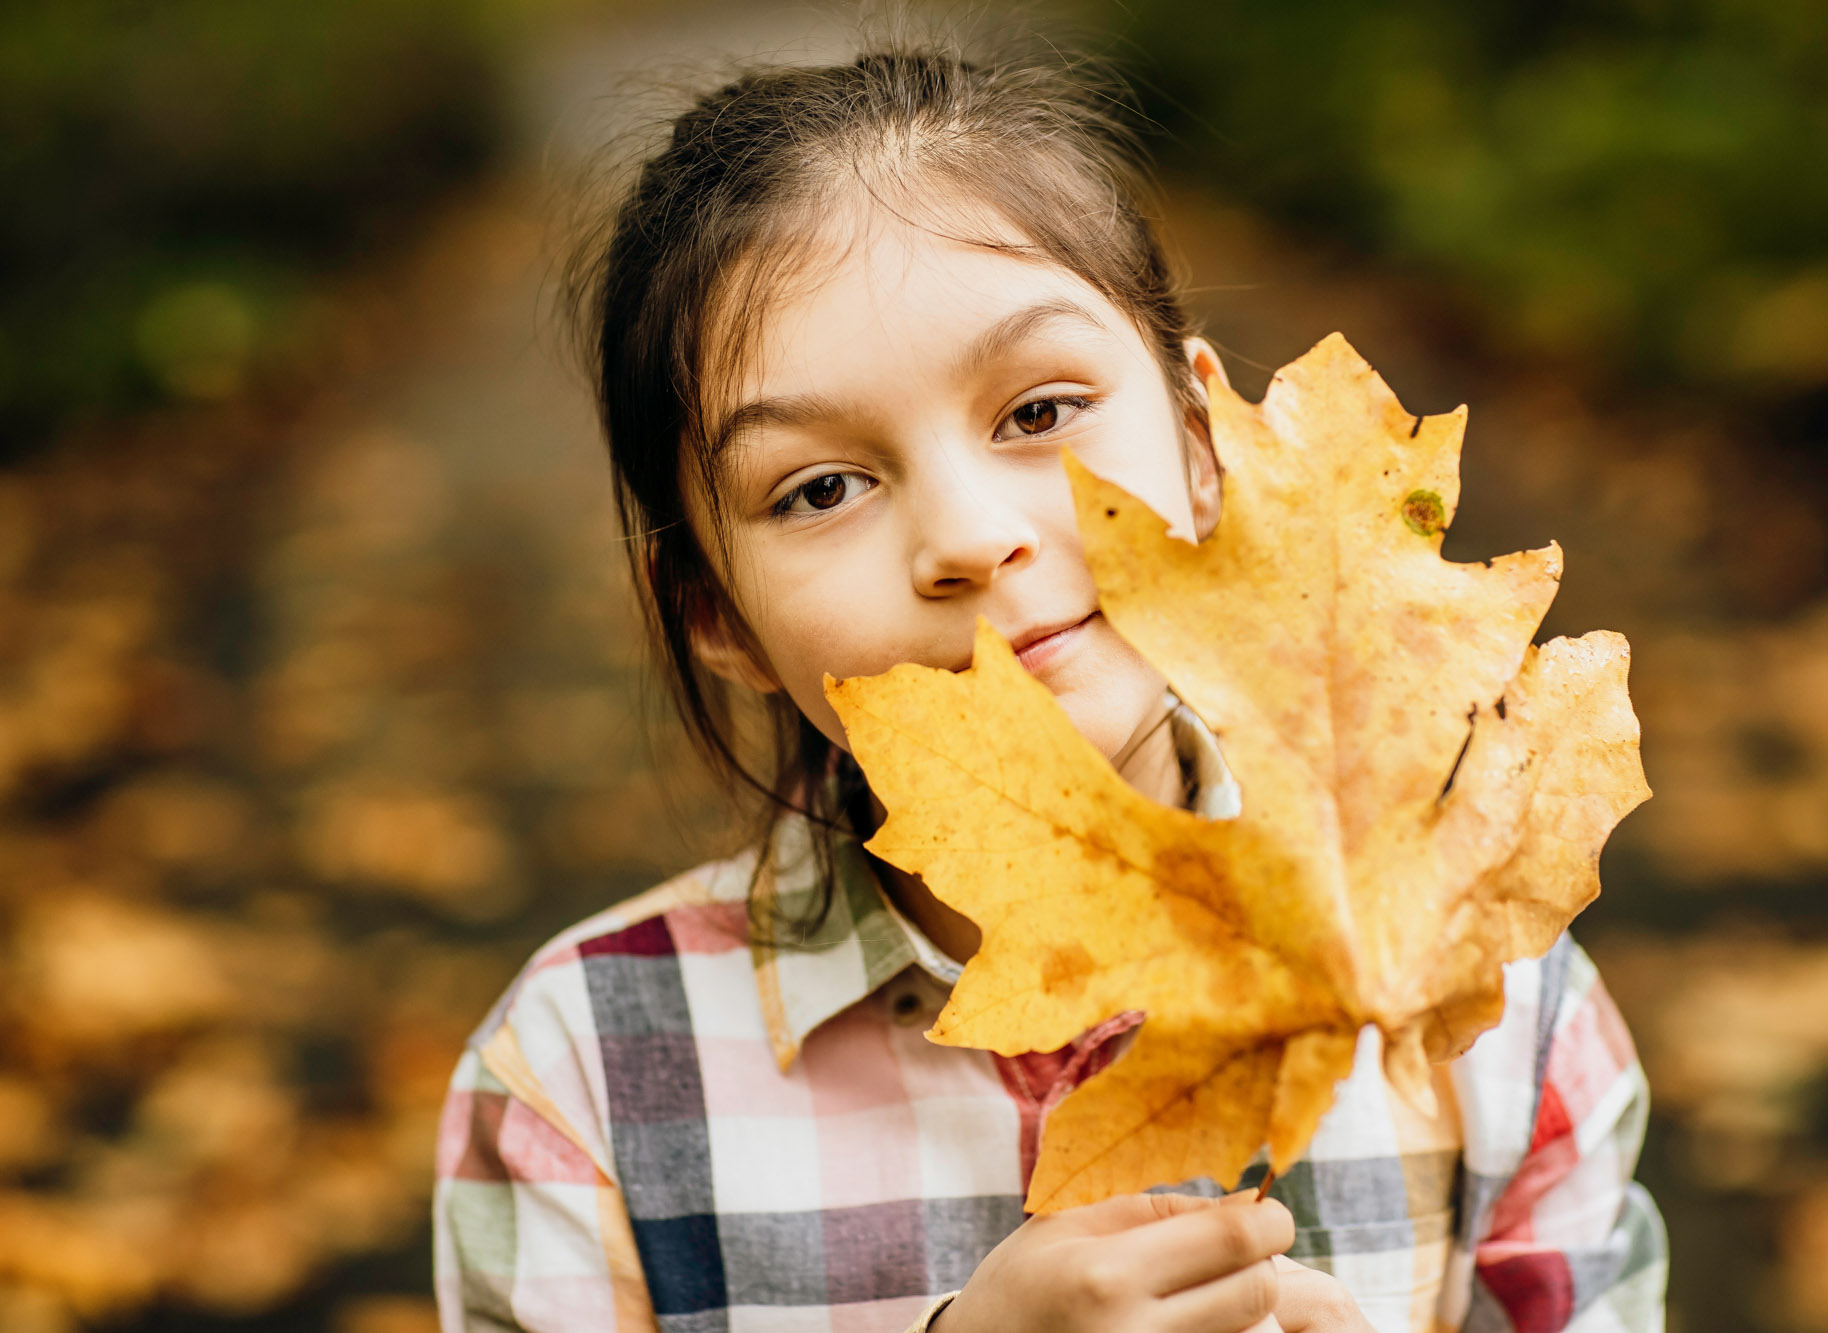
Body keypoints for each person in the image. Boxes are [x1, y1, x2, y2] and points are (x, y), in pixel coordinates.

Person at [432, 35, 1667, 1333]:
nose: (969, 535)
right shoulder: (588, 1079)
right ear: (715, 615)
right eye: (820, 487)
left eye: (1038, 410)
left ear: (1204, 442)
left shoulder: (1490, 1005)